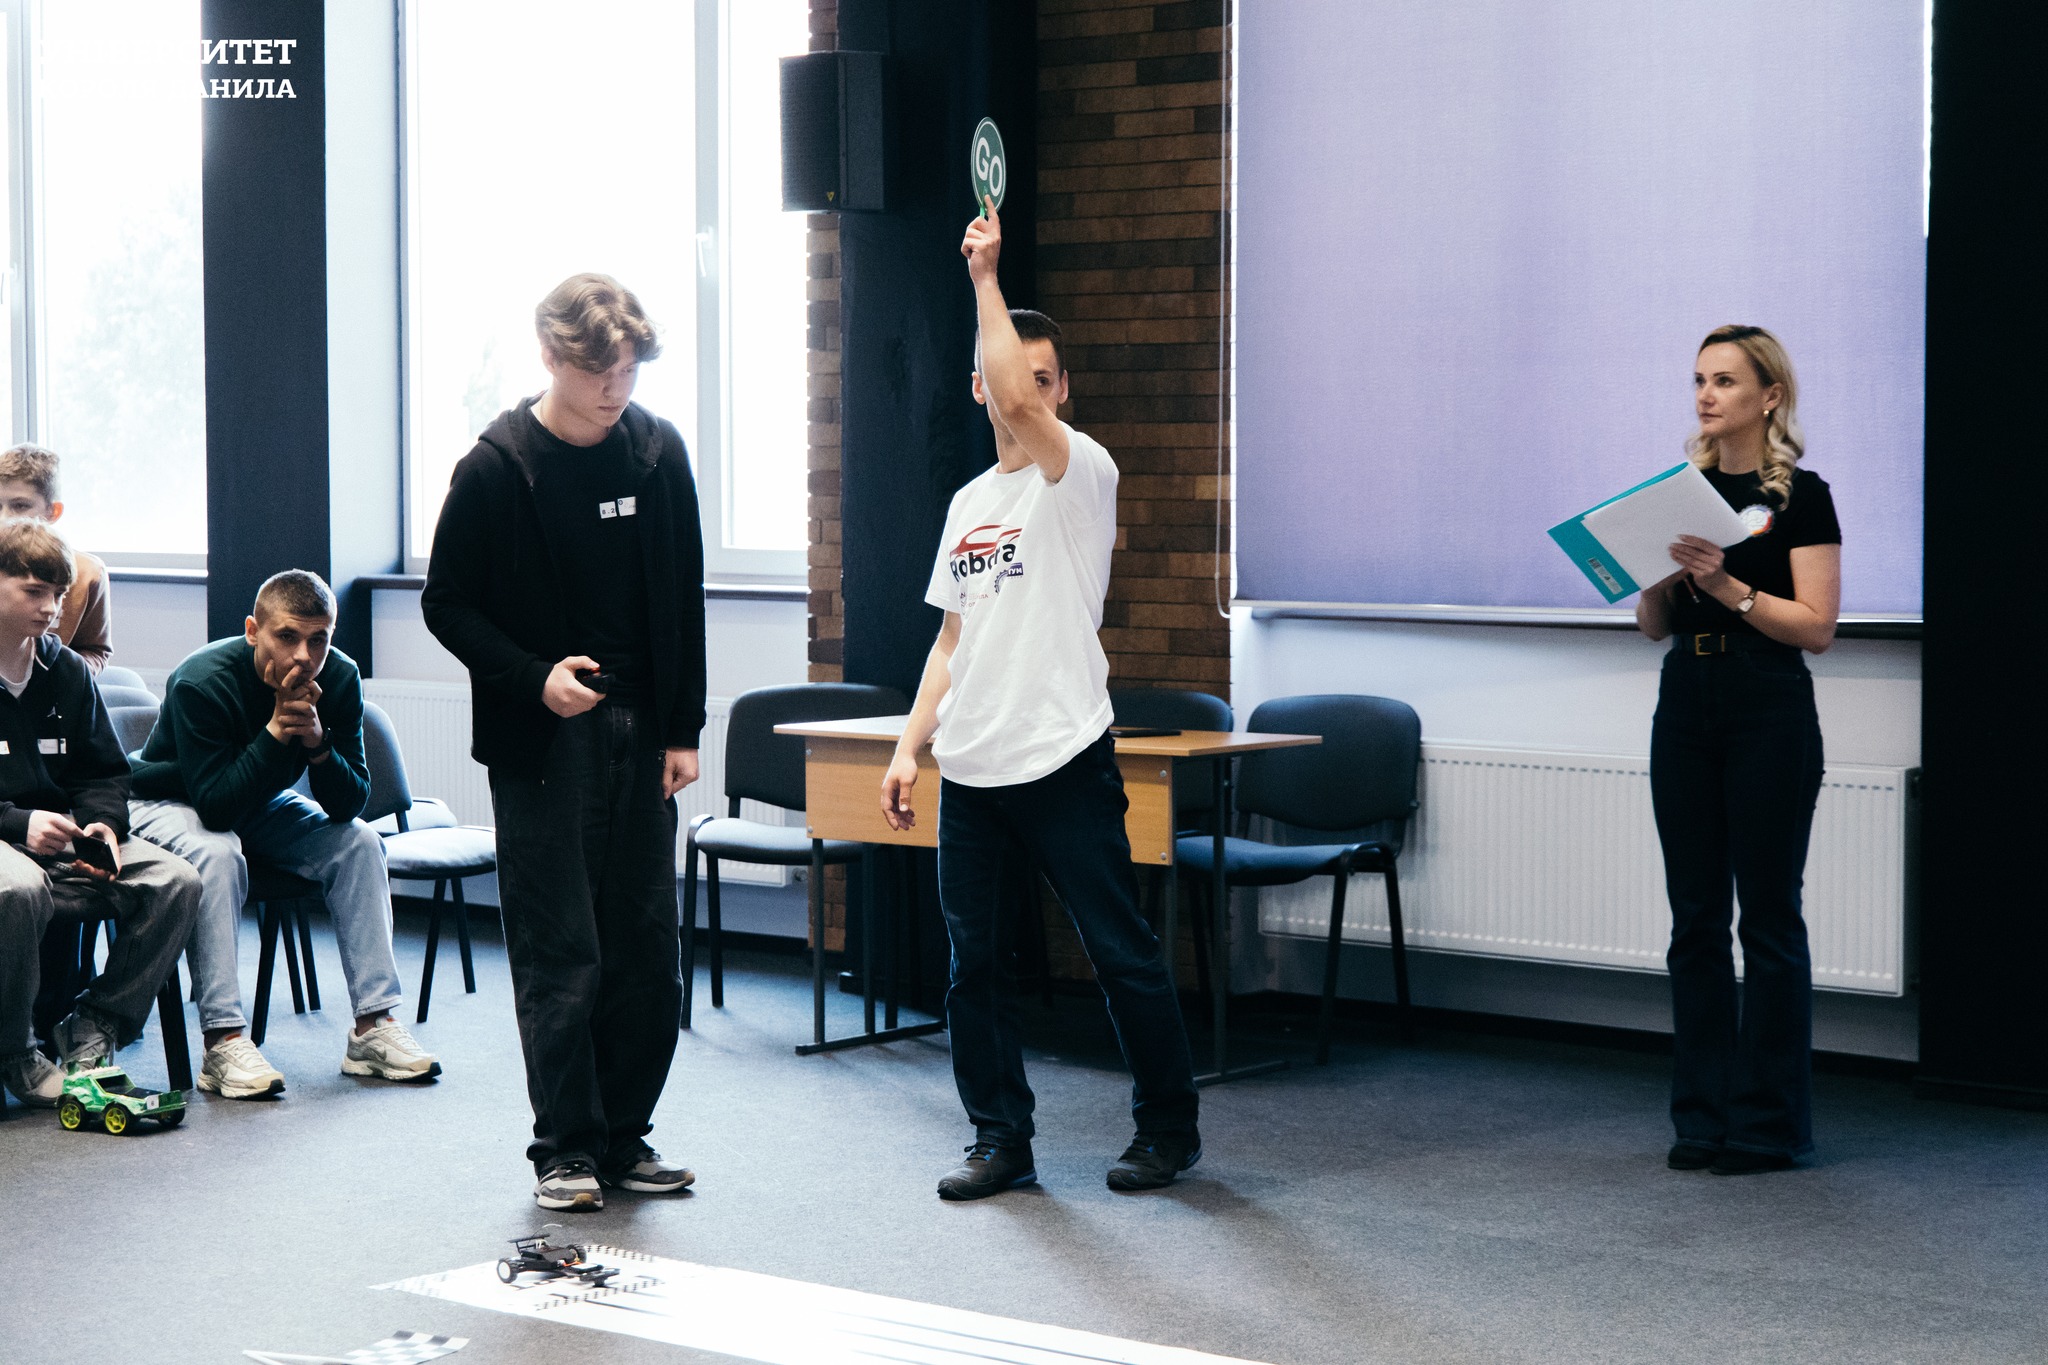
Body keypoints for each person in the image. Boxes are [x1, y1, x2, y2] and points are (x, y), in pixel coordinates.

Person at [881, 200, 1202, 1201]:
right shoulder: (967, 505)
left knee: (1119, 953)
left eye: (1047, 377)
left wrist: (984, 277)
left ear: (1060, 391)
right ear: (978, 383)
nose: (1028, 390)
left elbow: (1026, 414)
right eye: (1013, 375)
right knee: (972, 967)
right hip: (973, 769)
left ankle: (1167, 1129)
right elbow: (952, 638)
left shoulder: (1080, 473)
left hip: (1063, 758)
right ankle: (999, 1138)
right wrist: (907, 746)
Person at [422, 272, 706, 1212]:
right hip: (543, 742)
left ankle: (624, 1138)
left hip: (643, 730)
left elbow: (685, 596)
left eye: (628, 371)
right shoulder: (496, 468)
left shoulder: (658, 454)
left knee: (646, 951)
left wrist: (684, 728)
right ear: (551, 357)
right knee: (563, 951)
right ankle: (566, 1148)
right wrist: (532, 675)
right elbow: (446, 603)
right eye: (598, 373)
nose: (615, 389)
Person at [1634, 324, 1841, 1176]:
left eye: (1723, 380)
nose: (1705, 396)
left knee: (1768, 916)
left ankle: (1767, 1124)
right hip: (1686, 694)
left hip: (1767, 702)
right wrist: (1655, 578)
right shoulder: (1677, 494)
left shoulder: (1804, 496)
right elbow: (1654, 626)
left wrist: (1726, 584)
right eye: (1698, 380)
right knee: (1694, 921)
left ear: (1770, 395)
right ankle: (1702, 1116)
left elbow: (1817, 627)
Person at [127, 570, 439, 1098]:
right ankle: (223, 1040)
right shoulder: (202, 680)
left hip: (253, 800)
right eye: (288, 636)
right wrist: (276, 730)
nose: (304, 656)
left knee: (359, 842)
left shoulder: (339, 677)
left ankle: (373, 1027)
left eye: (319, 639)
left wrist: (317, 742)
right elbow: (216, 807)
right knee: (219, 852)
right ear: (254, 631)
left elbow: (349, 803)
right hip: (167, 799)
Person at [0, 519, 199, 1108]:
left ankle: (93, 1024)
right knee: (17, 887)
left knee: (176, 880)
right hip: (10, 839)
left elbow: (106, 771)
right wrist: (16, 823)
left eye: (58, 595)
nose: (50, 609)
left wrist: (103, 826)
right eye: (34, 592)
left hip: (63, 837)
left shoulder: (64, 670)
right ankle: (15, 1051)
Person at [0, 444, 113, 673]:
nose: (4, 518)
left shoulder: (88, 573)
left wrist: (65, 678)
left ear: (53, 512)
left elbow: (95, 650)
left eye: (20, 506)